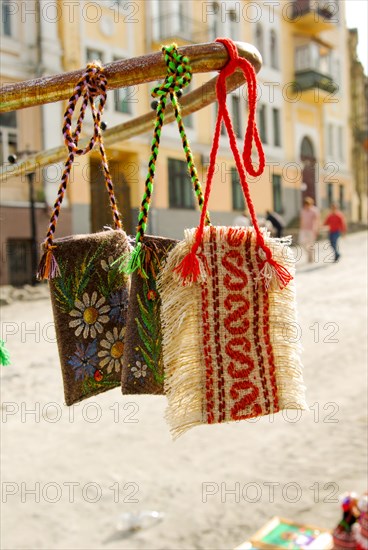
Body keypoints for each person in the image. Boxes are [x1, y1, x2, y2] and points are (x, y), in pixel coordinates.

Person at [299, 197, 320, 263]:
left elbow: (317, 221)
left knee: (311, 245)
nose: (306, 205)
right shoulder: (302, 211)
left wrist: (316, 230)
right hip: (303, 229)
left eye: (307, 204)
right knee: (302, 242)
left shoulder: (314, 210)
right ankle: (309, 254)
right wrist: (301, 228)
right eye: (305, 204)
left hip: (311, 230)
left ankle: (311, 258)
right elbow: (301, 220)